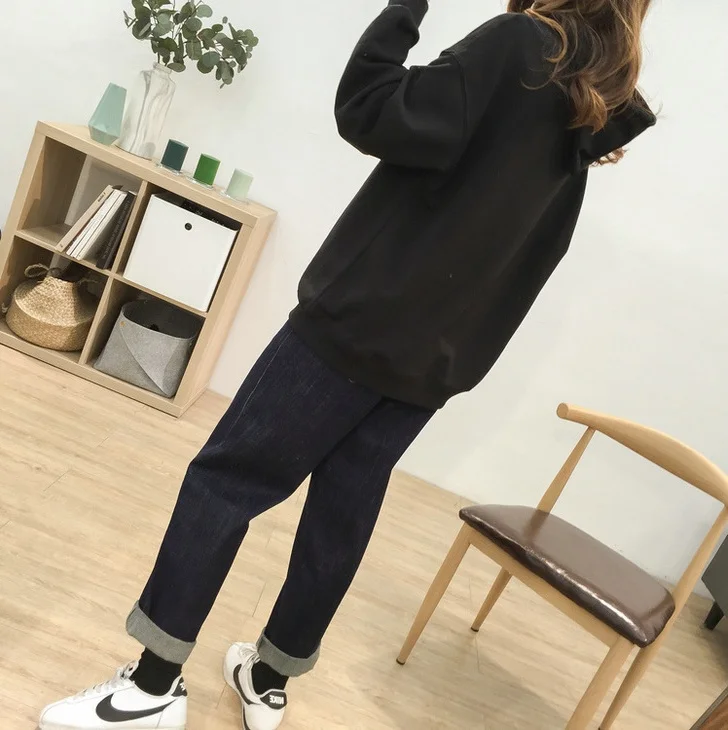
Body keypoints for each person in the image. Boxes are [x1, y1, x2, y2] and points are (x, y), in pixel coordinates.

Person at [38, 1, 656, 729]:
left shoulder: (521, 44)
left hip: (354, 328)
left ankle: (150, 689)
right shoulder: (599, 96)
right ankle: (268, 678)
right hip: (434, 362)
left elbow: (370, 110)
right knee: (340, 515)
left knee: (225, 482)